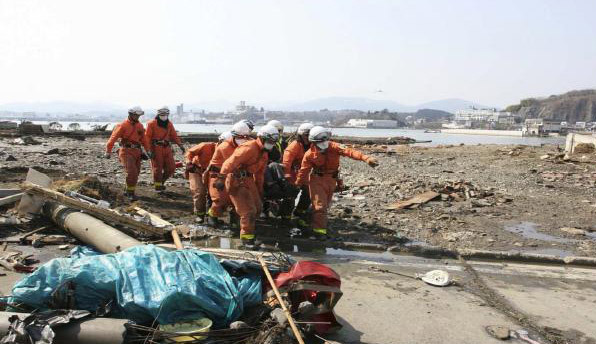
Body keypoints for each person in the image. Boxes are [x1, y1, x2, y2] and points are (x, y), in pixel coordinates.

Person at [295, 126, 379, 239]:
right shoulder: (309, 154)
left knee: (324, 206)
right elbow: (303, 171)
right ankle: (319, 232)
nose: (324, 145)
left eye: (325, 141)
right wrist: (298, 184)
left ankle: (308, 220)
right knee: (320, 207)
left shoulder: (334, 147)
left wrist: (366, 158)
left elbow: (350, 151)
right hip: (317, 180)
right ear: (314, 142)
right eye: (321, 142)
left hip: (332, 180)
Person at [217, 125, 279, 246]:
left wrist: (259, 191)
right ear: (262, 138)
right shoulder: (249, 147)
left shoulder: (264, 154)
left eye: (273, 142)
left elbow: (260, 174)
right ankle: (246, 239)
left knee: (258, 208)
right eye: (270, 141)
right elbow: (230, 162)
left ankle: (243, 226)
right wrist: (221, 178)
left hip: (248, 180)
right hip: (236, 180)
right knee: (248, 211)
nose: (271, 144)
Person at [206, 120, 254, 227]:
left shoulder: (244, 144)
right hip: (218, 174)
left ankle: (234, 220)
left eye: (245, 137)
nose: (244, 140)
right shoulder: (225, 147)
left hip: (232, 174)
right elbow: (232, 163)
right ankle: (212, 216)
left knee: (236, 199)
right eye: (241, 137)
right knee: (220, 199)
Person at [105, 106, 151, 200]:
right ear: (130, 114)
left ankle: (128, 190)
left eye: (138, 115)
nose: (137, 117)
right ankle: (130, 193)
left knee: (136, 173)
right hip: (126, 151)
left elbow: (144, 140)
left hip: (137, 152)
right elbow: (113, 138)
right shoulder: (122, 125)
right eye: (136, 115)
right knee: (132, 172)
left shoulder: (140, 126)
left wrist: (148, 150)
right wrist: (108, 151)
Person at [185, 132, 231, 221]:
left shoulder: (229, 152)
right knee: (200, 192)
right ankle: (200, 214)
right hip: (196, 171)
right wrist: (188, 163)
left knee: (215, 194)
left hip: (212, 174)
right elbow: (189, 152)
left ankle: (212, 215)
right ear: (220, 141)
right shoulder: (205, 146)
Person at [280, 122, 314, 225]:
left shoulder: (314, 145)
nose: (308, 137)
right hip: (293, 172)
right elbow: (286, 162)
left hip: (305, 173)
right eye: (306, 135)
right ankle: (285, 217)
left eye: (309, 135)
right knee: (291, 194)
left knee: (309, 193)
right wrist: (287, 176)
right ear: (301, 135)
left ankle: (299, 212)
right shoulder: (294, 146)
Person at [144, 106, 185, 191]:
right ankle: (158, 186)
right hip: (155, 148)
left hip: (167, 148)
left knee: (171, 167)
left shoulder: (169, 124)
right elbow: (147, 137)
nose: (164, 116)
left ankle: (161, 181)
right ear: (158, 114)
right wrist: (148, 150)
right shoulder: (151, 124)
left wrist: (180, 145)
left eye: (166, 114)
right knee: (157, 168)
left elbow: (174, 135)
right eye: (162, 114)